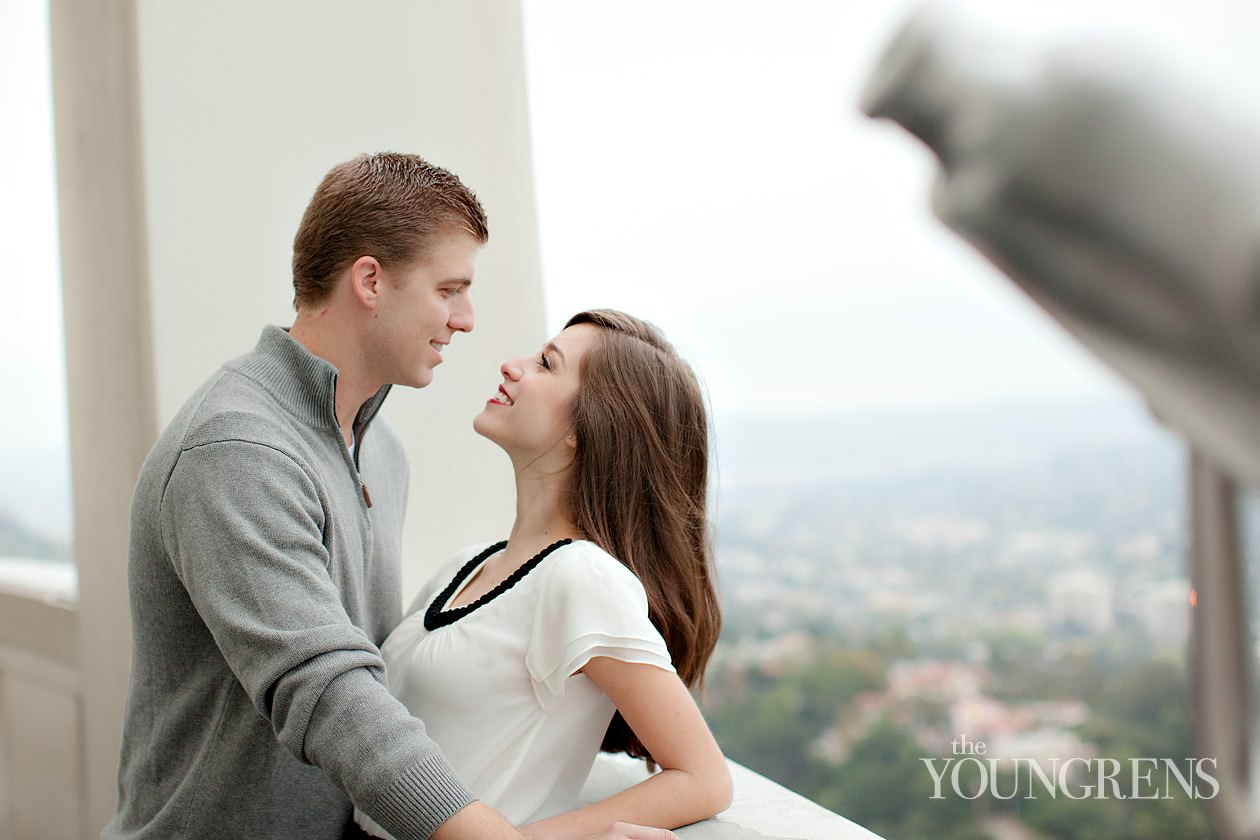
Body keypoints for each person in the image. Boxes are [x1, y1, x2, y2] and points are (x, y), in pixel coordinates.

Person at [104, 153, 670, 840]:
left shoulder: (381, 452)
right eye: (449, 289)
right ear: (370, 280)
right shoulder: (239, 450)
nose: (465, 319)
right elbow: (327, 691)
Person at [354, 310, 733, 840]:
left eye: (545, 364)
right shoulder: (467, 564)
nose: (512, 367)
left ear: (587, 425)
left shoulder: (581, 578)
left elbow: (702, 778)